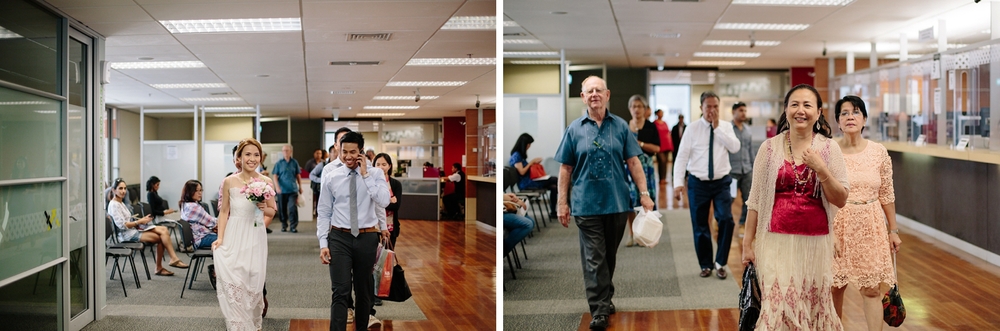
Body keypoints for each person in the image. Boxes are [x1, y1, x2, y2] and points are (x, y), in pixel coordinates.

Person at [741, 84, 849, 330]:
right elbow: (755, 201)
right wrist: (748, 245)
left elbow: (841, 198)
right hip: (775, 240)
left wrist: (821, 169)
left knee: (812, 305)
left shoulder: (829, 148)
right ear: (786, 109)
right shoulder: (768, 149)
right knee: (778, 307)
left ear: (819, 112)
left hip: (815, 243)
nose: (801, 111)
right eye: (795, 104)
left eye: (807, 105)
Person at [555, 76, 653, 331]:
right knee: (594, 258)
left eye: (599, 90)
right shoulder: (574, 129)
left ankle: (605, 295)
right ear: (583, 97)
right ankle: (598, 310)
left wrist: (644, 193)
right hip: (585, 205)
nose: (595, 94)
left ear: (608, 95)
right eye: (590, 91)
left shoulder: (621, 127)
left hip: (618, 203)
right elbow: (565, 169)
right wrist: (562, 203)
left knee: (609, 255)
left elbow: (634, 162)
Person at [831, 95, 902, 330]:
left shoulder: (878, 152)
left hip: (870, 225)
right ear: (838, 122)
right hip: (837, 224)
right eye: (844, 113)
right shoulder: (829, 152)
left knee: (871, 289)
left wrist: (893, 230)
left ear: (864, 120)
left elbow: (887, 194)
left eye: (856, 112)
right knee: (834, 286)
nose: (850, 116)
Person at [317, 132, 390, 331]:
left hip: (366, 237)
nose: (348, 156)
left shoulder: (375, 174)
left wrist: (365, 174)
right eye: (344, 152)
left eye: (353, 152)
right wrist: (323, 243)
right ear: (338, 151)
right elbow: (323, 211)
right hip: (339, 237)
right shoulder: (332, 176)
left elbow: (383, 201)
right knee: (340, 291)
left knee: (364, 291)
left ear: (361, 152)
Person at [672, 91, 741, 279]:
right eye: (708, 106)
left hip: (721, 183)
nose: (712, 110)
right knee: (700, 224)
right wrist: (678, 183)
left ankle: (720, 262)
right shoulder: (692, 129)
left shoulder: (726, 126)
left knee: (726, 219)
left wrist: (717, 128)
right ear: (701, 108)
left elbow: (735, 147)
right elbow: (681, 157)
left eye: (715, 106)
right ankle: (705, 264)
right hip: (698, 183)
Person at [213, 138, 276, 330]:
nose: (252, 158)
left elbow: (272, 211)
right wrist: (220, 238)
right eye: (247, 154)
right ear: (239, 158)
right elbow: (224, 212)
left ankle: (251, 323)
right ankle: (238, 326)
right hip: (233, 234)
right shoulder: (229, 181)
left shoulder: (266, 182)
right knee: (234, 279)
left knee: (253, 280)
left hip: (255, 236)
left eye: (256, 155)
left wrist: (263, 210)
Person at [108, 178, 189, 276]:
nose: (123, 191)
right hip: (126, 235)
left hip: (133, 230)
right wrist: (139, 221)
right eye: (120, 188)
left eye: (125, 188)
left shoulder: (120, 202)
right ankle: (167, 262)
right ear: (113, 190)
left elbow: (128, 220)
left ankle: (168, 262)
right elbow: (123, 225)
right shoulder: (114, 205)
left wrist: (142, 220)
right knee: (162, 236)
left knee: (163, 233)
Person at [623, 97, 661, 247]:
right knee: (630, 201)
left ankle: (645, 233)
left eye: (639, 106)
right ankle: (631, 233)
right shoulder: (625, 127)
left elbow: (657, 149)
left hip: (647, 168)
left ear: (645, 109)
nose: (637, 109)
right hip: (629, 169)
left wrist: (641, 144)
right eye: (633, 106)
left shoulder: (651, 126)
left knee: (647, 199)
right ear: (630, 109)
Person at [509, 133, 559, 218]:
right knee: (556, 179)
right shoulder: (516, 155)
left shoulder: (520, 155)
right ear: (524, 144)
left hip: (529, 181)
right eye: (529, 144)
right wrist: (532, 162)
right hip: (526, 183)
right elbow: (522, 172)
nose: (529, 146)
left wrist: (533, 163)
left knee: (554, 187)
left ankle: (553, 212)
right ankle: (567, 203)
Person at [729, 101, 755, 231]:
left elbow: (750, 150)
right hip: (731, 171)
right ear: (733, 112)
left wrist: (754, 167)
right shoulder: (727, 129)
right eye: (740, 110)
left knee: (748, 199)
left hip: (747, 170)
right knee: (729, 199)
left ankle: (743, 223)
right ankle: (722, 223)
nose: (743, 113)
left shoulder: (747, 130)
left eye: (745, 110)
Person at [373, 153, 403, 248]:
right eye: (377, 164)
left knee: (387, 258)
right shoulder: (370, 183)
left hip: (390, 226)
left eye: (384, 164)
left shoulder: (395, 184)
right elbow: (371, 204)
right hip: (373, 227)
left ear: (389, 166)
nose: (380, 167)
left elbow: (396, 206)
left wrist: (379, 200)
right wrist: (388, 200)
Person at [271, 144, 302, 233]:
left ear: (290, 151)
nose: (285, 152)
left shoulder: (294, 162)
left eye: (287, 150)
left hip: (292, 189)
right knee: (282, 209)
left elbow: (298, 175)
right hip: (281, 190)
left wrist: (300, 187)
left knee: (292, 208)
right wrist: (277, 187)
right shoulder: (279, 163)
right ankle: (284, 224)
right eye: (284, 150)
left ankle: (293, 226)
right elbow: (275, 176)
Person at [179, 180, 217, 249]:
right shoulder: (194, 207)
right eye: (197, 191)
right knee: (229, 239)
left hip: (199, 237)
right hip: (201, 238)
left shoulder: (185, 204)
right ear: (190, 192)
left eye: (201, 190)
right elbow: (212, 222)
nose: (200, 193)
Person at [653, 109, 673, 185]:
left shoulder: (665, 123)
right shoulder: (654, 123)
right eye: (660, 113)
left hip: (667, 145)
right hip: (659, 146)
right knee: (661, 161)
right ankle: (661, 178)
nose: (661, 114)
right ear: (657, 114)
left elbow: (668, 133)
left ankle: (664, 178)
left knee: (666, 163)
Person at [306, 149, 325, 218]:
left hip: (322, 185)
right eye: (317, 153)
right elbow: (307, 173)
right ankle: (316, 213)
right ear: (314, 154)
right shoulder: (310, 163)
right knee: (315, 199)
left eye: (320, 153)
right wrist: (319, 179)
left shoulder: (324, 162)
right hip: (314, 184)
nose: (318, 155)